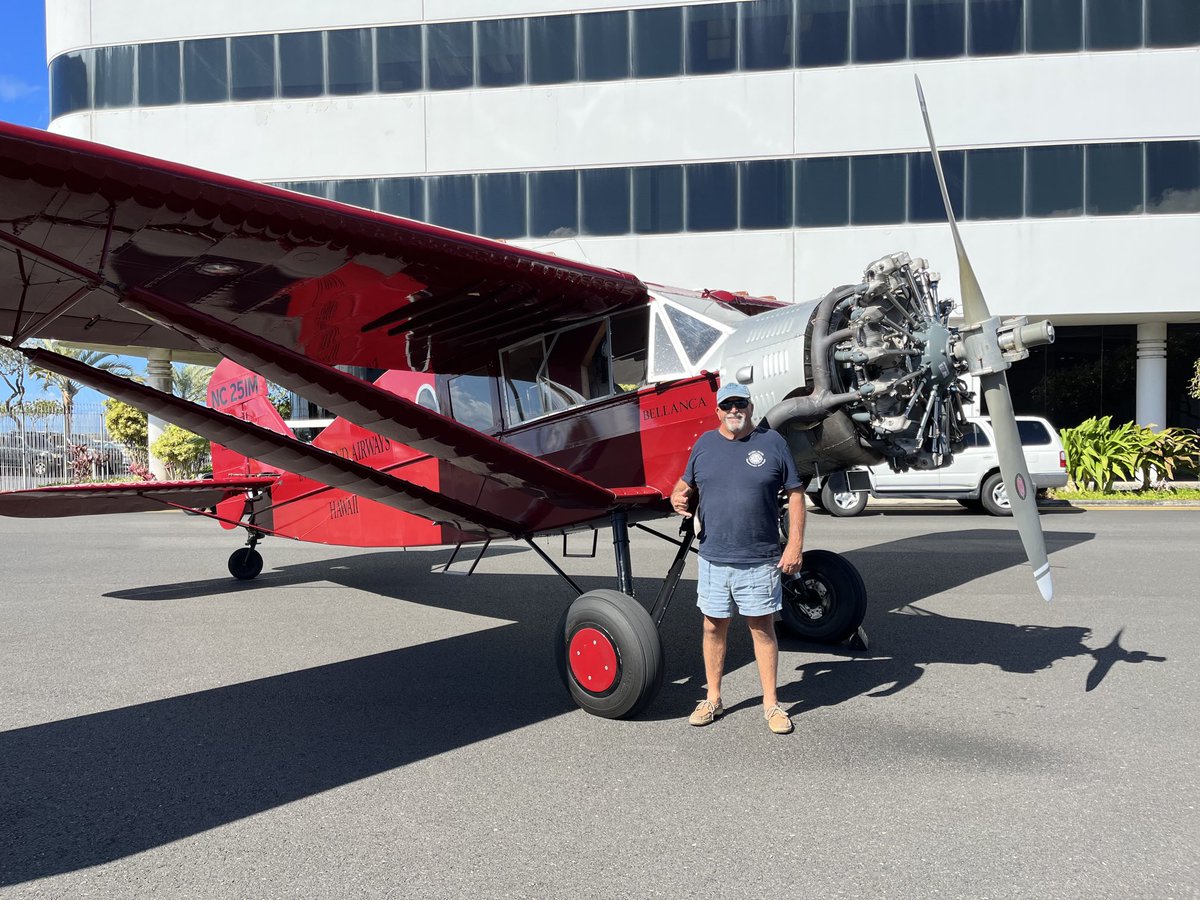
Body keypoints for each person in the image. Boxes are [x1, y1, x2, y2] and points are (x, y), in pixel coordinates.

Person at [670, 382, 805, 735]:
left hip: (760, 558)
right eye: (727, 405)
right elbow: (683, 487)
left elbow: (795, 494)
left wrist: (794, 546)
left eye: (740, 403)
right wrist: (677, 497)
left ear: (750, 406)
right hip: (714, 557)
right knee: (713, 626)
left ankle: (771, 704)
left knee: (761, 628)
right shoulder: (703, 445)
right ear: (718, 410)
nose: (734, 410)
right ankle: (713, 698)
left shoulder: (772, 443)